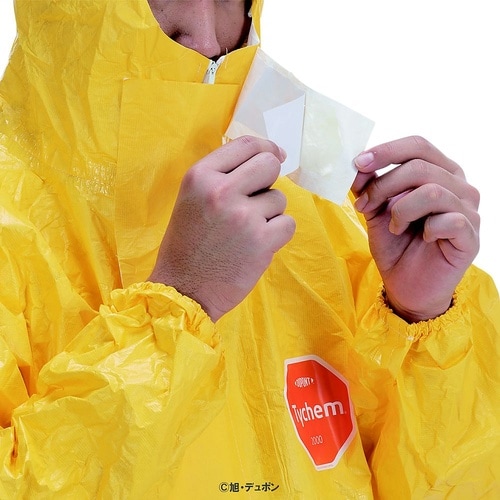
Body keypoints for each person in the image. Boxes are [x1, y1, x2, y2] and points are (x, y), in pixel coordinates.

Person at [0, 0, 498, 497]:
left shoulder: (340, 222)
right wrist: (178, 307)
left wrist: (421, 318)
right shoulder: (13, 222)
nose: (206, 39)